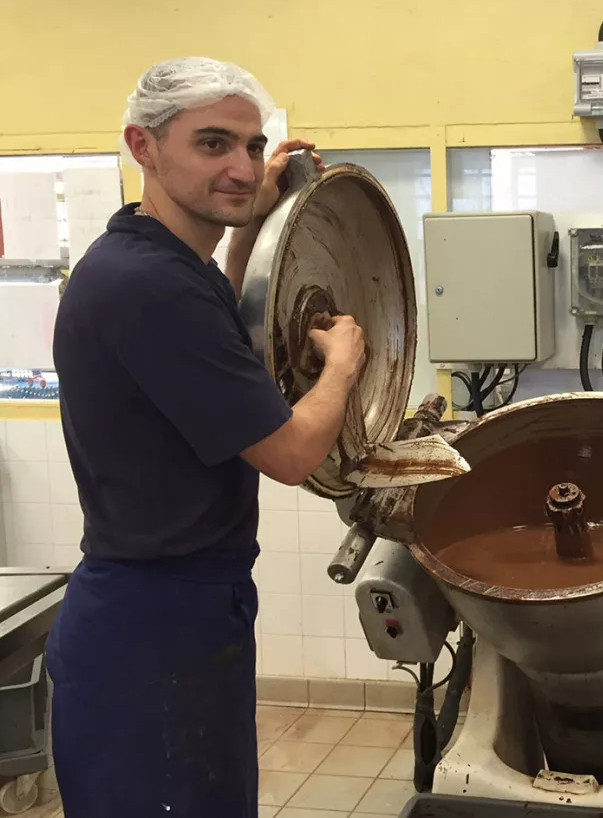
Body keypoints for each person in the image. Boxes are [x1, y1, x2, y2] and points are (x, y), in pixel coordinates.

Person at [47, 57, 366, 818]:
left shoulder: (153, 260)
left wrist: (255, 217)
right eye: (213, 144)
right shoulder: (150, 285)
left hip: (172, 607)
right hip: (152, 629)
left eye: (253, 147)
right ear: (143, 146)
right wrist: (342, 368)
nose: (240, 165)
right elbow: (291, 453)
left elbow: (219, 317)